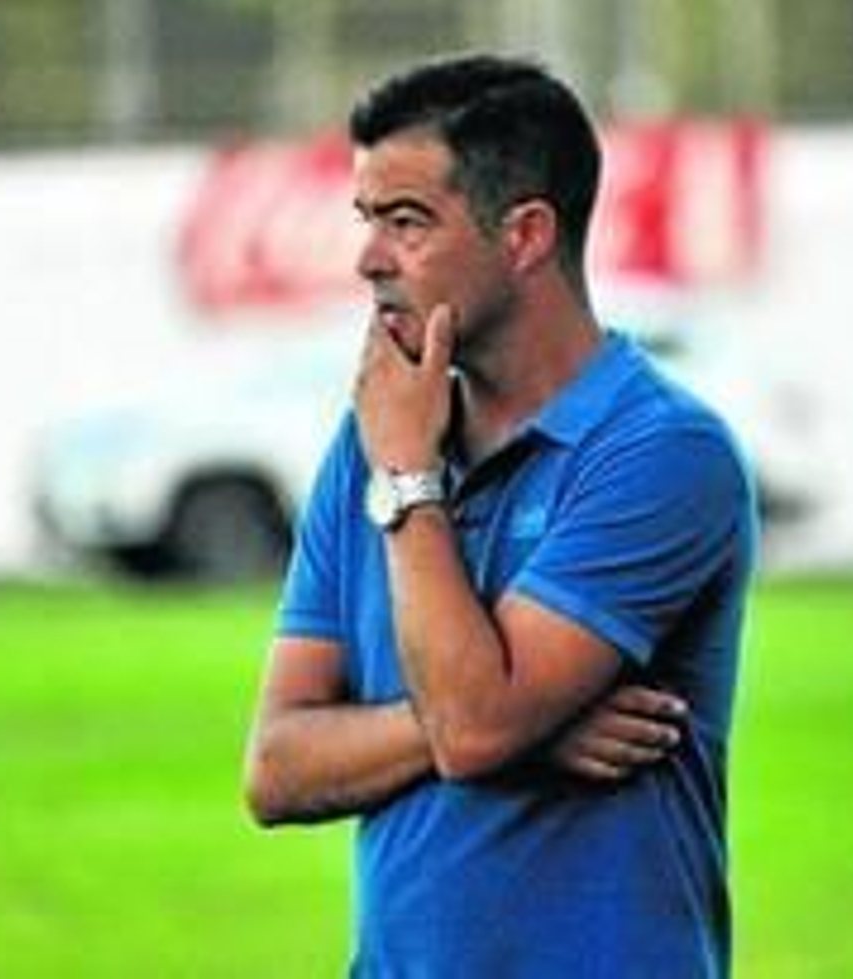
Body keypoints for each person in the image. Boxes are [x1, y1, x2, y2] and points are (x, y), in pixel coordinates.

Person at [243, 53, 757, 977]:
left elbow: (477, 726)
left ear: (523, 236)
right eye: (367, 220)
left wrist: (407, 479)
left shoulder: (663, 453)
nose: (368, 259)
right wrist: (529, 727)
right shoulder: (368, 438)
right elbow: (276, 767)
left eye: (407, 222)